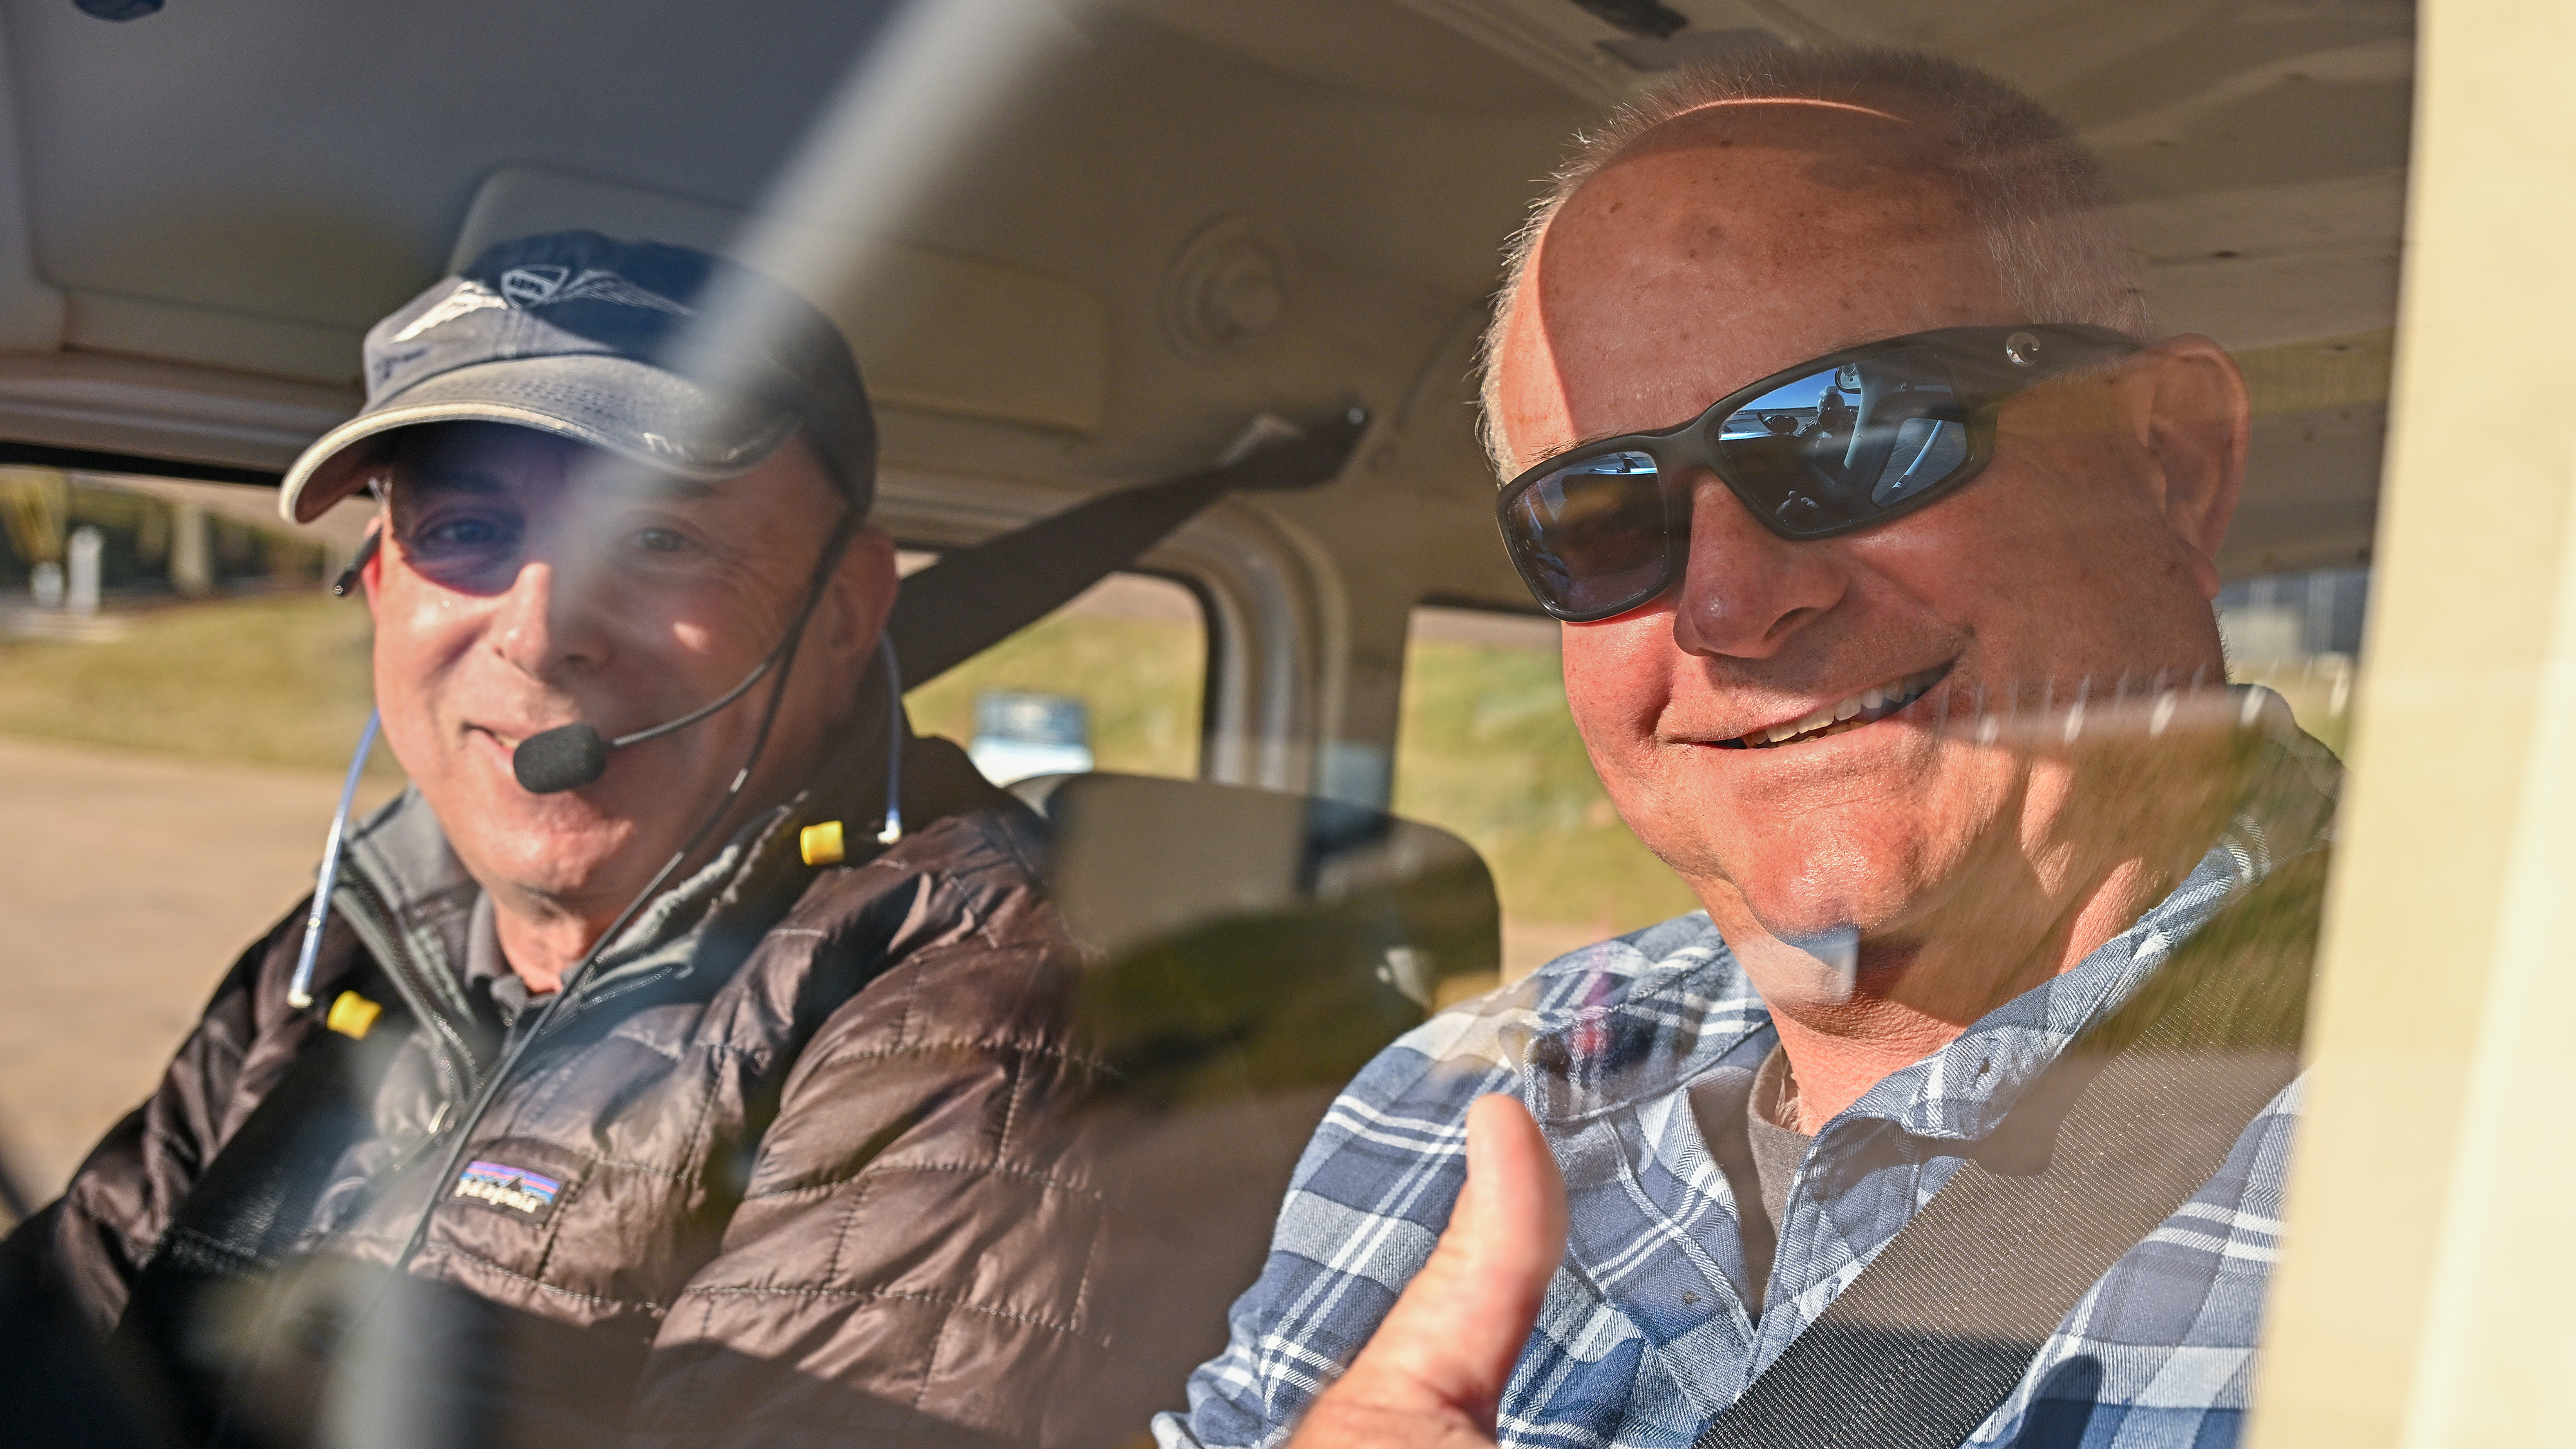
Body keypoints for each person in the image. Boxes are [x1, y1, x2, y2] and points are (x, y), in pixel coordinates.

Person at [1158, 47, 2336, 1449]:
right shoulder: (1454, 1100)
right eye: (1599, 512)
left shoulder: (2481, 1141)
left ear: (2167, 465)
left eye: (1849, 438)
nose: (1726, 603)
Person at [5, 231, 1124, 1448]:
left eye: (656, 538)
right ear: (382, 587)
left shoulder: (962, 1010)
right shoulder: (371, 926)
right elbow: (64, 1326)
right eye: (467, 531)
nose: (539, 636)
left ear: (845, 608)